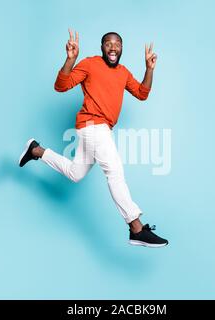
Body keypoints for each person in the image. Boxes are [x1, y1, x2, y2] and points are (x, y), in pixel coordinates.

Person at [19, 29, 168, 248]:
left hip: (99, 128)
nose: (113, 47)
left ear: (122, 48)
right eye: (108, 43)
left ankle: (36, 150)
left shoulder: (124, 72)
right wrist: (70, 59)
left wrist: (149, 69)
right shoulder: (90, 64)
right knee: (115, 172)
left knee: (75, 173)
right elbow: (61, 85)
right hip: (92, 125)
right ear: (102, 47)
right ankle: (136, 228)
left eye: (117, 44)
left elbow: (142, 93)